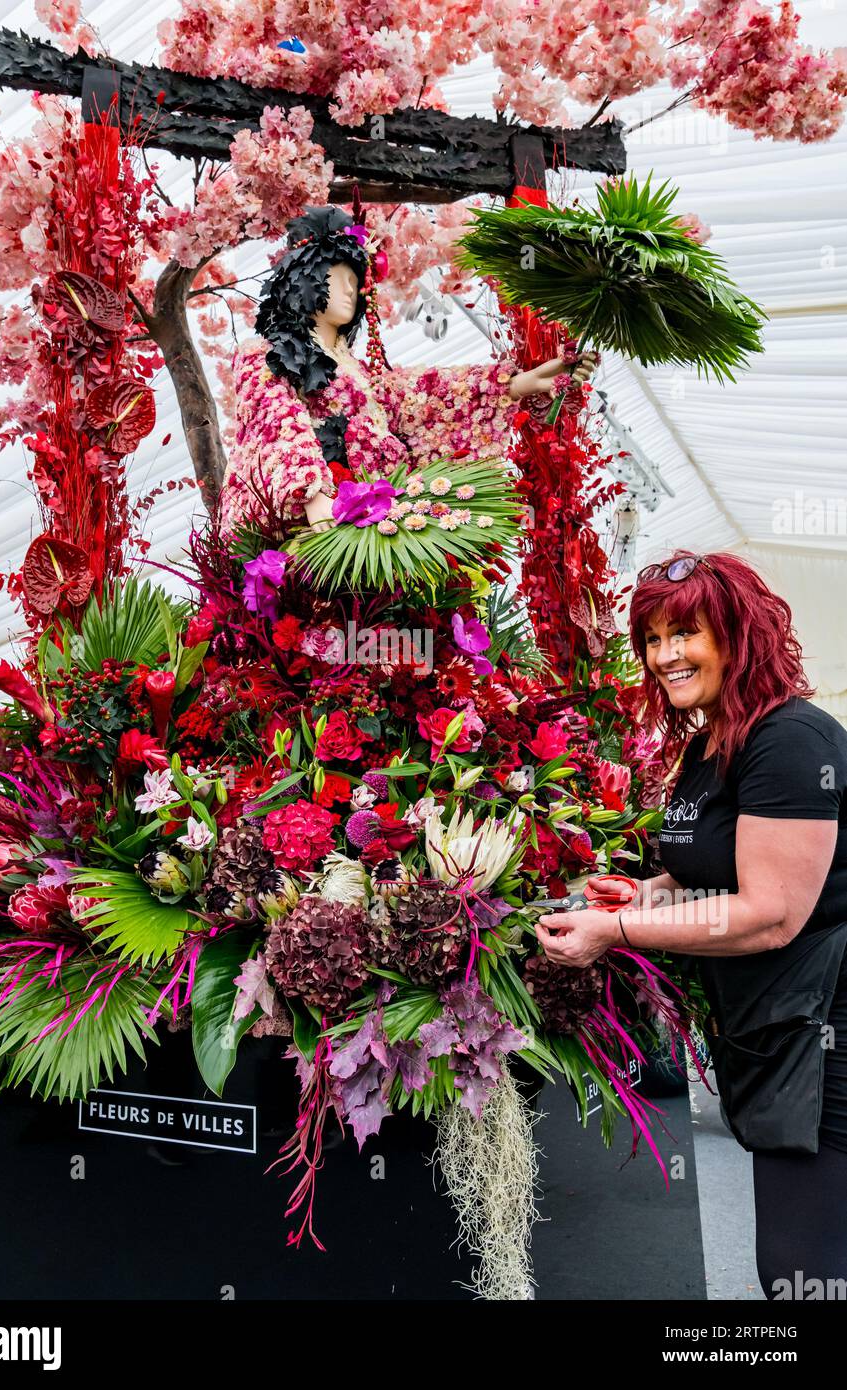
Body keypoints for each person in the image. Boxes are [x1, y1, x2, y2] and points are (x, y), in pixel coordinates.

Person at [534, 549, 847, 1299]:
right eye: (652, 639)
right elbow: (716, 874)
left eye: (686, 634)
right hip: (774, 1027)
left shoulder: (789, 741)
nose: (665, 656)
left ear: (738, 635)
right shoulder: (713, 742)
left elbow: (769, 913)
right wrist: (642, 894)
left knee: (802, 1272)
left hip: (825, 1030)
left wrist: (614, 935)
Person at [218, 205, 598, 534]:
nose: (351, 291)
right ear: (306, 279)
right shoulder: (262, 354)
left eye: (356, 281)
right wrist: (310, 493)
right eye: (340, 279)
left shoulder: (362, 375)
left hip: (375, 523)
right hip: (314, 527)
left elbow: (426, 396)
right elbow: (277, 424)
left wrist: (516, 383)